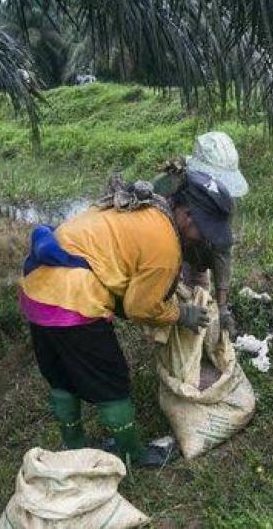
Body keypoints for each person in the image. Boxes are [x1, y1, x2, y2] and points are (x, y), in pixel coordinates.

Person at [19, 171, 234, 468]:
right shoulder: (165, 246)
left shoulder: (145, 209)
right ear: (185, 216)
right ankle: (133, 454)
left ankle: (74, 446)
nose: (205, 240)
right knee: (113, 382)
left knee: (60, 376)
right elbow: (140, 307)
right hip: (75, 299)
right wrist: (181, 314)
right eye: (204, 231)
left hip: (36, 292)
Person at [153, 131, 249, 338]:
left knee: (200, 301)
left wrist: (223, 306)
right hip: (163, 255)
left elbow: (222, 251)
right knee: (167, 305)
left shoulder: (223, 201)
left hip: (196, 257)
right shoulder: (167, 185)